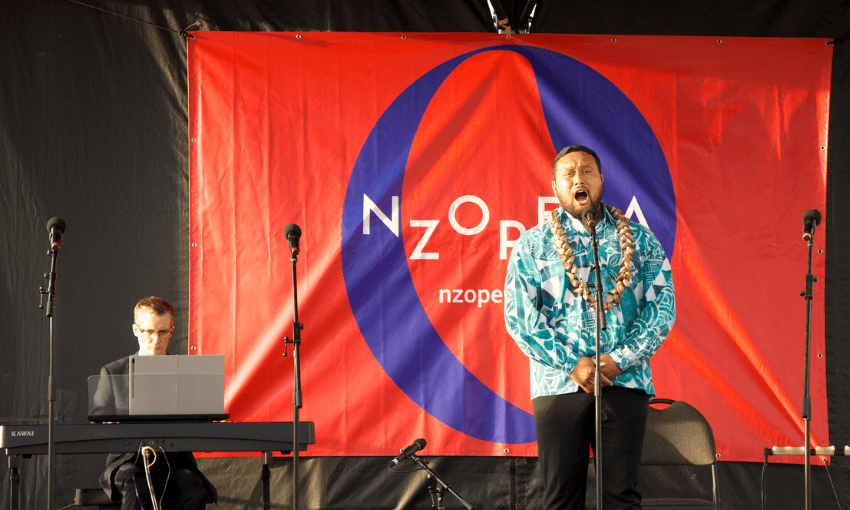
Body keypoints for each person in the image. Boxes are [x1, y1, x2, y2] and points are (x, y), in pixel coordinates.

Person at [504, 145, 675, 510]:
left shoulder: (641, 241)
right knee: (561, 499)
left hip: (623, 382)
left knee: (621, 498)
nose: (578, 178)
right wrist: (573, 364)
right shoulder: (533, 244)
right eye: (568, 173)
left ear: (600, 180)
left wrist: (619, 358)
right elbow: (520, 317)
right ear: (555, 186)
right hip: (558, 385)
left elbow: (662, 308)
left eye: (587, 171)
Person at [93, 297, 217, 510]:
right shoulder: (114, 372)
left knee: (193, 490)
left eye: (162, 332)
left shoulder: (187, 374)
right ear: (135, 330)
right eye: (148, 332)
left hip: (176, 462)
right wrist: (108, 425)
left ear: (171, 330)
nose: (156, 340)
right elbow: (98, 420)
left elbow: (203, 421)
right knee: (136, 486)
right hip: (129, 462)